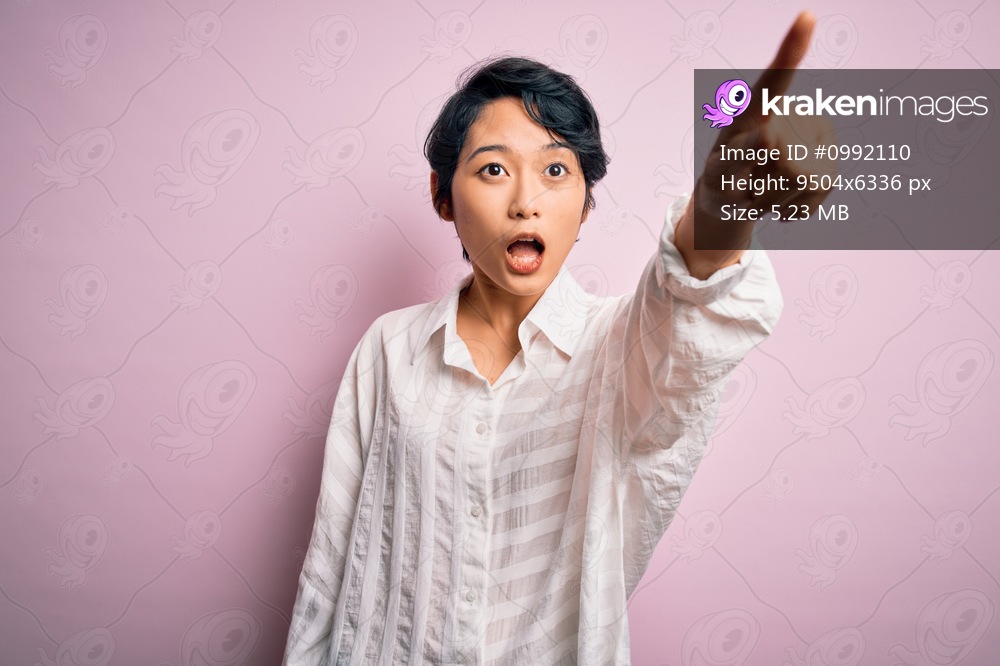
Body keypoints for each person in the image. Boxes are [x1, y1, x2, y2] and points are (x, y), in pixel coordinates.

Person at [285, 12, 825, 665]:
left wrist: (724, 200)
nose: (525, 201)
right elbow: (331, 563)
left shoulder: (615, 350)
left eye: (556, 171)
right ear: (441, 196)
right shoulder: (387, 350)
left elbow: (683, 308)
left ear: (587, 204)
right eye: (491, 170)